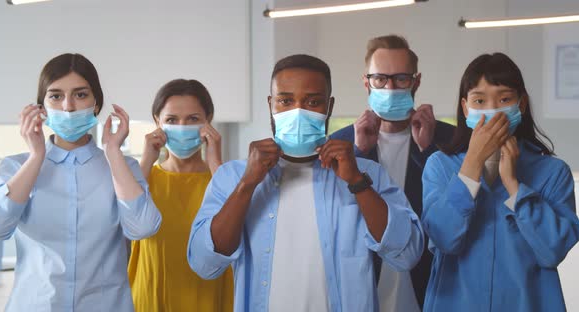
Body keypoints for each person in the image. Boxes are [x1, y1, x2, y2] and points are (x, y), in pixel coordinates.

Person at [187, 54, 423, 311]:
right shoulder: (233, 176)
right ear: (271, 104)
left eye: (312, 102)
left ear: (329, 107)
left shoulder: (367, 175)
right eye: (285, 101)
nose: (298, 111)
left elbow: (407, 253)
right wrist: (247, 185)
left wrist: (356, 182)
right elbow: (204, 263)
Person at [0, 53, 162, 311]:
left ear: (96, 104)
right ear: (42, 108)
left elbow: (143, 228)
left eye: (80, 95)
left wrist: (114, 152)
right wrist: (37, 156)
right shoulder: (15, 166)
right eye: (56, 96)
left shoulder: (123, 168)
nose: (68, 106)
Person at [421, 52, 579, 312]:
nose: (492, 110)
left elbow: (553, 251)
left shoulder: (553, 172)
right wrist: (471, 165)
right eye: (479, 100)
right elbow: (444, 239)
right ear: (465, 107)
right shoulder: (440, 166)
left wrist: (514, 185)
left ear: (522, 105)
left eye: (504, 99)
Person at [330, 35, 453, 311]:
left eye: (401, 79)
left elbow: (454, 212)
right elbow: (336, 219)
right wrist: (359, 155)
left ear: (416, 81)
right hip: (363, 287)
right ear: (366, 82)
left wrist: (428, 152)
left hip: (431, 288)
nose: (390, 87)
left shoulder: (448, 140)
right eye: (380, 79)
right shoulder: (341, 144)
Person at [128, 79, 233, 311]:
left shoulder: (223, 178)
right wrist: (146, 160)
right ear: (157, 121)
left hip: (210, 297)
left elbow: (239, 225)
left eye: (193, 119)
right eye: (172, 120)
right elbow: (125, 219)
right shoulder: (143, 176)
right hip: (152, 297)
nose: (182, 126)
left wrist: (216, 161)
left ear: (209, 120)